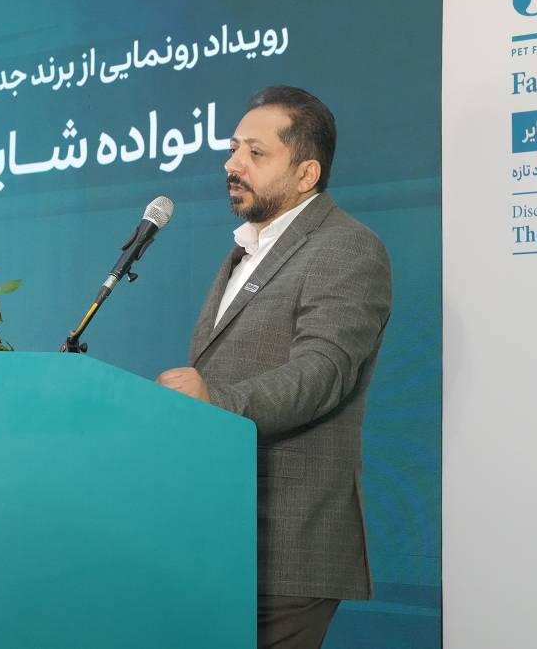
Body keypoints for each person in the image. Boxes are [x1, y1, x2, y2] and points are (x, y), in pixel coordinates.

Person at [158, 85, 392, 649]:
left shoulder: (346, 248)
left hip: (286, 543)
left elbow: (322, 372)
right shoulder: (246, 250)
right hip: (219, 537)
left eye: (256, 153)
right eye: (234, 148)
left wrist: (215, 401)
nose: (232, 163)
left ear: (307, 174)